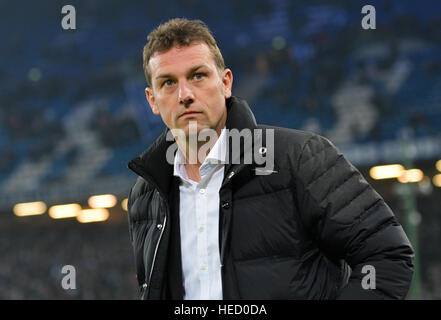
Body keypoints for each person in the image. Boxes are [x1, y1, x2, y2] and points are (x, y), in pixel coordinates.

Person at [126, 18, 414, 300]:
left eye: (198, 76)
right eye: (168, 83)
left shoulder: (300, 157)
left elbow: (387, 255)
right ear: (152, 100)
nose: (185, 94)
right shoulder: (146, 193)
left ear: (226, 83)